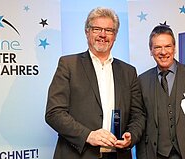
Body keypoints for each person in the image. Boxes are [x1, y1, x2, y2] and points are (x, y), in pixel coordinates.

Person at [45, 7, 146, 159]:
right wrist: (88, 135)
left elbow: (138, 115)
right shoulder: (68, 65)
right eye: (97, 29)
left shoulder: (128, 71)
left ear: (115, 35)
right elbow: (54, 113)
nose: (103, 35)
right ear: (87, 32)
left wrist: (131, 135)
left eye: (109, 30)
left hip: (117, 155)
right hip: (78, 154)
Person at [136, 25, 185, 159]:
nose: (163, 52)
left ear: (174, 48)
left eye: (167, 46)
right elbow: (140, 122)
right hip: (155, 154)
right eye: (157, 47)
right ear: (151, 50)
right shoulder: (142, 81)